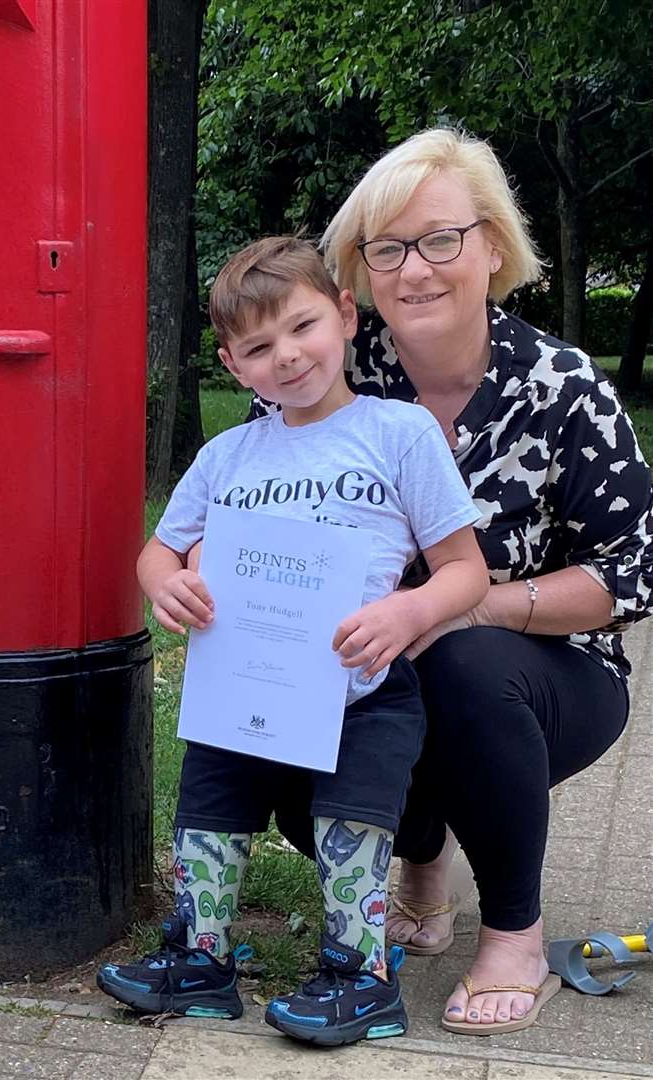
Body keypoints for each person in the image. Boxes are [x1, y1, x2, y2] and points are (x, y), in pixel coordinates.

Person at [294, 126, 652, 1036]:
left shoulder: (566, 389)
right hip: (372, 657)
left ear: (491, 247)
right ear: (360, 271)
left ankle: (513, 935)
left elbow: (630, 575)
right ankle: (418, 859)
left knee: (462, 668)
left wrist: (469, 605)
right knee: (272, 719)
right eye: (387, 248)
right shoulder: (333, 375)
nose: (414, 269)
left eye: (440, 239)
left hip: (543, 666)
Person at [96, 236, 488, 1046]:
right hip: (243, 682)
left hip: (363, 683)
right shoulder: (227, 453)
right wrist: (163, 582)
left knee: (352, 824)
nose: (287, 356)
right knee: (208, 810)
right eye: (258, 347)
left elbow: (463, 570)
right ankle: (200, 958)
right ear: (233, 365)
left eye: (302, 327)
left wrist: (408, 615)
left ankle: (357, 974)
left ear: (344, 316)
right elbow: (158, 549)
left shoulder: (398, 433)